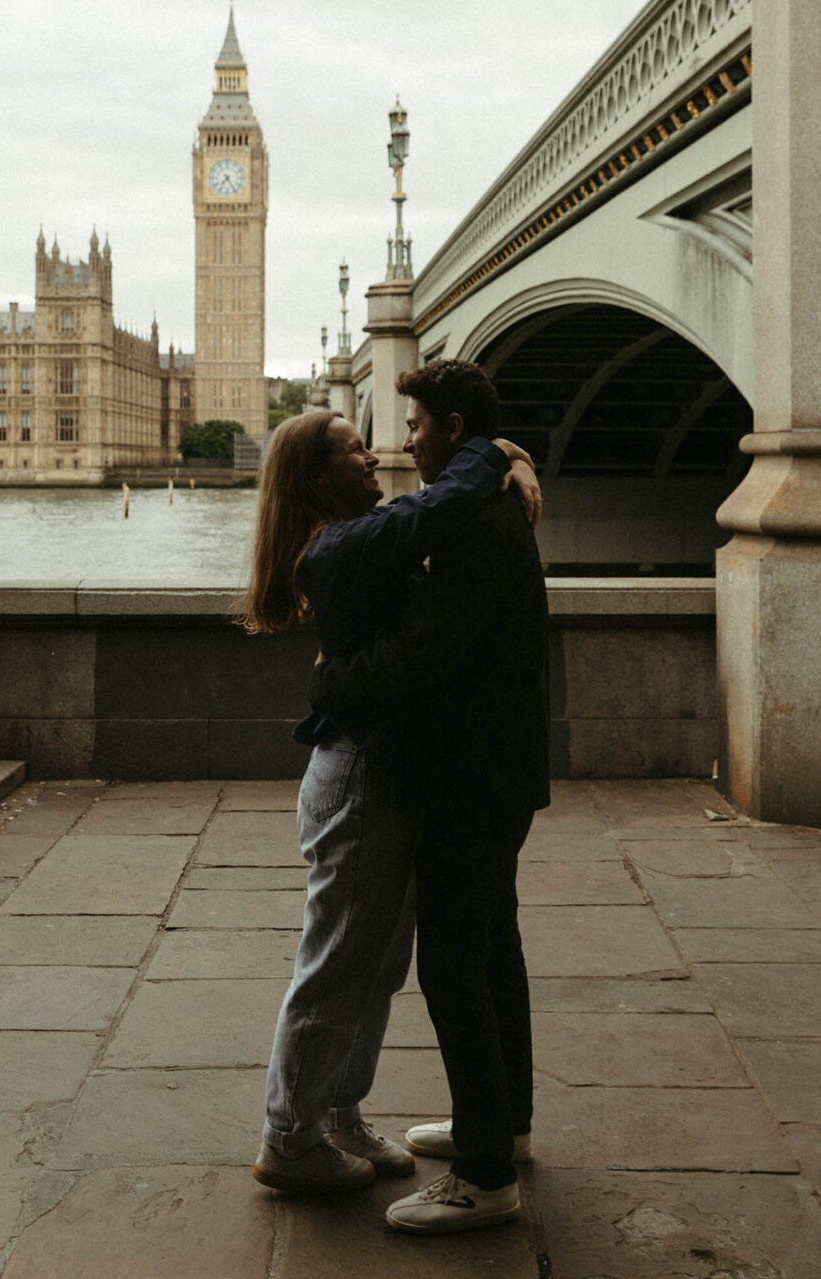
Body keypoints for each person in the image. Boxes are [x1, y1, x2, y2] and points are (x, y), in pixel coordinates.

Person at [242, 406, 540, 1196]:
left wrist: (503, 459)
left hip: (385, 772)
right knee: (337, 966)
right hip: (359, 780)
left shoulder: (360, 534)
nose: (374, 455)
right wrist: (495, 451)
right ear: (315, 478)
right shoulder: (340, 544)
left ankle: (338, 1111)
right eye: (351, 450)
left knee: (377, 969)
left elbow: (425, 517)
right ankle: (288, 1136)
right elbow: (432, 509)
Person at [309, 358, 550, 1235]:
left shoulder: (476, 513)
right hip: (500, 763)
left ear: (450, 428)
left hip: (473, 771)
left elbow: (426, 653)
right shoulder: (489, 494)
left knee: (455, 964)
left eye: (413, 425)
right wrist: (508, 456)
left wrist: (334, 683)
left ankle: (486, 1178)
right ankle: (505, 1125)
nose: (401, 439)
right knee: (494, 950)